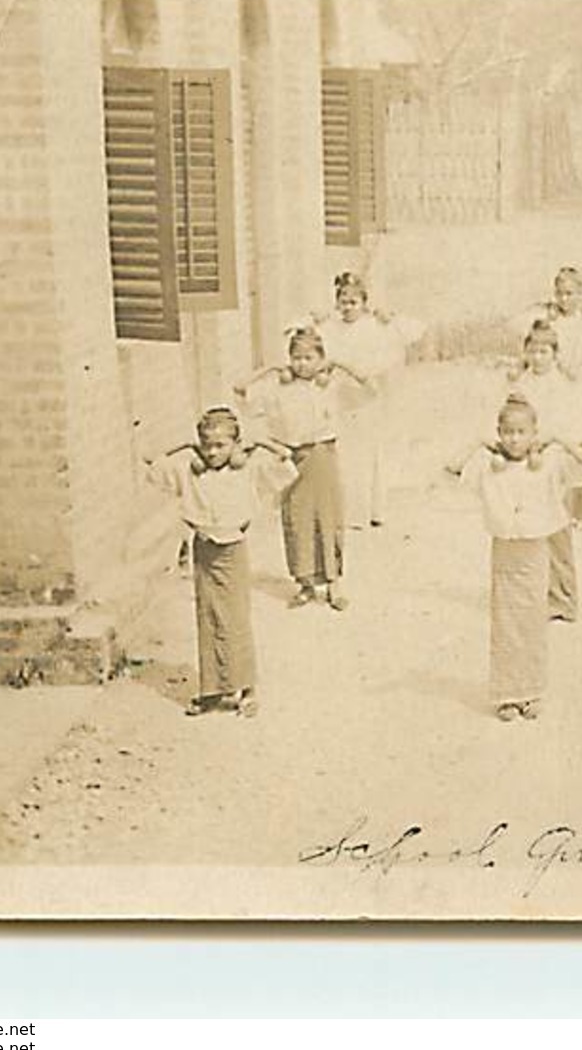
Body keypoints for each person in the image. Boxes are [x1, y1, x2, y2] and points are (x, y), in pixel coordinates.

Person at [445, 396, 582, 722]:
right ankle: (507, 694)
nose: (514, 439)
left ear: (533, 433)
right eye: (508, 432)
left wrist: (559, 438)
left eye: (521, 432)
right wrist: (478, 443)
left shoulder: (550, 463)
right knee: (505, 623)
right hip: (505, 553)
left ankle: (531, 691)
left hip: (535, 552)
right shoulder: (487, 466)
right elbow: (451, 469)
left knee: (531, 622)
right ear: (499, 433)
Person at [144, 407, 294, 718]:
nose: (212, 452)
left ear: (235, 446)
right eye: (206, 445)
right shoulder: (189, 470)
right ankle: (212, 690)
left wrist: (259, 443)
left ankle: (247, 689)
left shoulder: (248, 471)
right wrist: (185, 445)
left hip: (233, 551)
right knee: (208, 616)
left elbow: (287, 460)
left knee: (235, 619)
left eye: (220, 445)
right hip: (204, 549)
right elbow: (150, 458)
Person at [237, 328, 373, 611]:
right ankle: (305, 584)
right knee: (297, 519)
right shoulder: (277, 388)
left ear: (320, 358)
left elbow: (367, 382)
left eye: (309, 357)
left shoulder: (330, 387)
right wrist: (271, 368)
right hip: (290, 457)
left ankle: (333, 583)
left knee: (327, 517)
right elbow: (240, 389)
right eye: (296, 357)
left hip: (322, 455)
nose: (301, 364)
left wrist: (337, 363)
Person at [307, 272, 428, 530]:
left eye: (354, 301)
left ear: (364, 302)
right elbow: (301, 331)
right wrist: (316, 318)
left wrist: (389, 316)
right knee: (346, 454)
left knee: (371, 452)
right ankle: (351, 513)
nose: (348, 307)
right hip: (341, 397)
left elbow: (414, 330)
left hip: (368, 396)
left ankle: (375, 509)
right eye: (343, 301)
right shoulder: (332, 327)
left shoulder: (373, 325)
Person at [502, 323, 582, 618]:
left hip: (556, 459)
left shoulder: (564, 385)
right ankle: (534, 593)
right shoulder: (521, 385)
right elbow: (510, 419)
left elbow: (575, 429)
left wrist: (551, 440)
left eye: (544, 351)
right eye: (533, 351)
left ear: (555, 354)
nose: (538, 357)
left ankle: (564, 597)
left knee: (556, 529)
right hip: (527, 460)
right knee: (525, 528)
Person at [508, 266, 582, 388]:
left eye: (569, 294)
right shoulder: (548, 317)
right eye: (559, 293)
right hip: (557, 384)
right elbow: (512, 325)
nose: (563, 299)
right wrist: (544, 306)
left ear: (580, 293)